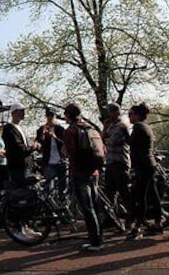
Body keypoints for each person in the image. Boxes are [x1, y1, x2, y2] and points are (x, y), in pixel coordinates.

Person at [63, 103, 104, 252]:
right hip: (94, 171)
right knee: (95, 205)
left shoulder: (71, 131)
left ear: (68, 115)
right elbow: (102, 149)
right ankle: (99, 237)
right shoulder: (90, 128)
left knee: (87, 207)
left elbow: (70, 152)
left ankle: (95, 242)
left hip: (79, 172)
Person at [126, 103, 163, 239]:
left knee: (140, 196)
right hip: (149, 163)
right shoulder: (146, 127)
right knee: (152, 195)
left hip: (143, 165)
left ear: (136, 115)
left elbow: (131, 144)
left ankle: (137, 228)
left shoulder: (138, 127)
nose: (128, 117)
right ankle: (158, 225)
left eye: (130, 114)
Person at [2, 102, 40, 189]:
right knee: (21, 192)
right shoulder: (9, 129)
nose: (24, 113)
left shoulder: (20, 128)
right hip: (18, 167)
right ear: (14, 113)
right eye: (21, 111)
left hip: (26, 165)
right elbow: (18, 148)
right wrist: (33, 147)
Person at [102, 102, 132, 216]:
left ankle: (131, 217)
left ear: (116, 113)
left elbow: (113, 142)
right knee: (109, 191)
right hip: (110, 161)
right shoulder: (109, 126)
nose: (108, 114)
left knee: (124, 191)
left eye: (110, 112)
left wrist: (106, 140)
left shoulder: (121, 126)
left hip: (119, 162)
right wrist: (104, 128)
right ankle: (112, 217)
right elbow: (102, 139)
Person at [35, 108, 66, 193]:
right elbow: (38, 145)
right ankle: (50, 204)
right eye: (48, 115)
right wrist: (43, 137)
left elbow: (64, 144)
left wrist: (54, 137)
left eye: (52, 116)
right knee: (49, 186)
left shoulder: (60, 129)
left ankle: (62, 203)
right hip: (48, 161)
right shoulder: (41, 129)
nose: (50, 118)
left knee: (63, 186)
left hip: (60, 161)